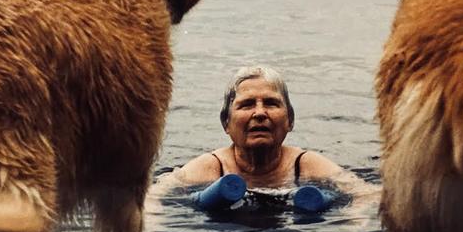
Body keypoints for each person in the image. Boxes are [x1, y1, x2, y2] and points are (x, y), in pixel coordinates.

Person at [149, 65, 379, 203]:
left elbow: (365, 193)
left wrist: (354, 221)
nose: (260, 113)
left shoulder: (305, 164)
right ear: (226, 123)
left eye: (271, 103)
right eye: (247, 104)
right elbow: (153, 196)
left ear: (289, 120)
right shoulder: (212, 167)